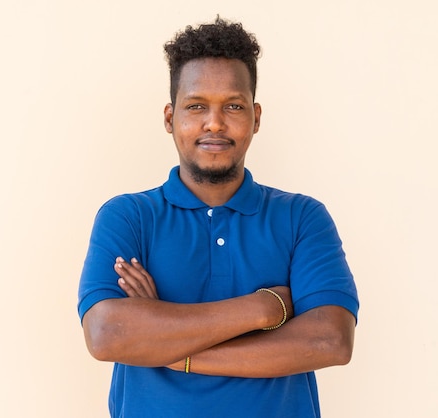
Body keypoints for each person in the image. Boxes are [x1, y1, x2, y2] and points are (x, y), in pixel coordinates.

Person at [77, 16, 359, 418]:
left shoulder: (302, 218)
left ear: (256, 117)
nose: (215, 122)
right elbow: (107, 335)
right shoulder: (128, 217)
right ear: (169, 118)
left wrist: (173, 351)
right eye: (196, 106)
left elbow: (329, 341)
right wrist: (264, 309)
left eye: (233, 105)